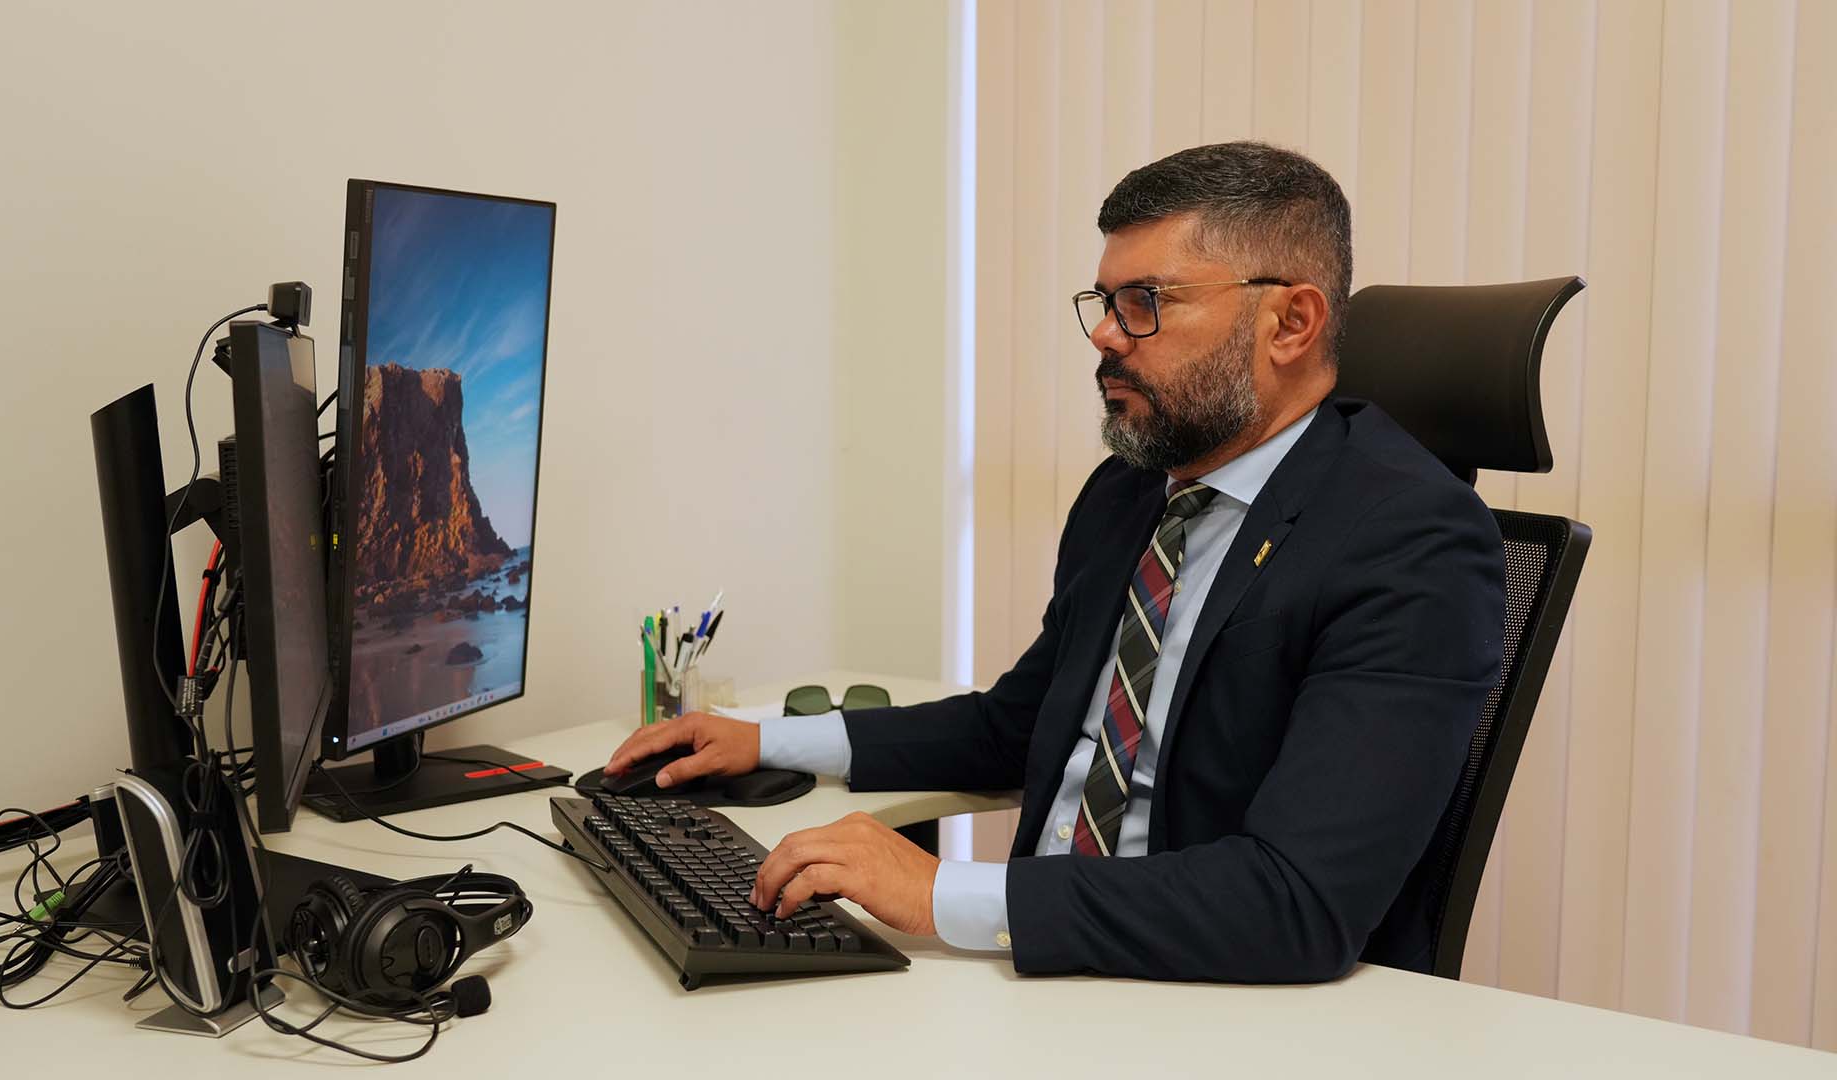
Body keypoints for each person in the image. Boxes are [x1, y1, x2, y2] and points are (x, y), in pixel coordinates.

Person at [606, 141, 1505, 983]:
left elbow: (1296, 901)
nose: (1106, 335)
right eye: (1104, 303)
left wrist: (939, 892)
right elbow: (1018, 725)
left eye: (1145, 302)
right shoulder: (1131, 493)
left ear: (1291, 322)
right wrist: (766, 740)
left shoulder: (1413, 540)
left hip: (1199, 1000)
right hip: (1039, 969)